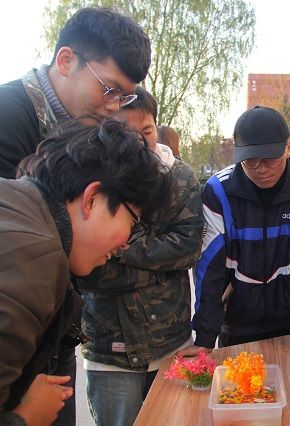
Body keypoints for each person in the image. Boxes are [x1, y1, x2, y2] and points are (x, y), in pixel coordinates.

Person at [0, 118, 171, 426]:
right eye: (132, 224)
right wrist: (25, 417)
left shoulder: (15, 205)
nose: (123, 245)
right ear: (93, 198)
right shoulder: (35, 259)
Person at [76, 88, 203, 426]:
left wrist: (123, 250)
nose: (140, 143)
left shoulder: (181, 176)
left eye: (147, 131)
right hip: (110, 348)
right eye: (127, 134)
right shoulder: (89, 178)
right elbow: (88, 269)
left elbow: (187, 248)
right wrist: (159, 267)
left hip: (171, 342)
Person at [179, 106, 290, 356]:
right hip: (237, 322)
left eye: (270, 158)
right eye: (250, 160)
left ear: (288, 147)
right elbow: (209, 267)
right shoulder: (218, 191)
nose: (260, 168)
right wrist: (205, 338)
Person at [0, 7, 151, 180]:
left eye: (123, 97)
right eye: (109, 90)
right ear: (66, 61)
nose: (115, 107)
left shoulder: (94, 133)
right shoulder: (6, 115)